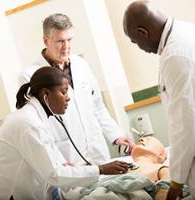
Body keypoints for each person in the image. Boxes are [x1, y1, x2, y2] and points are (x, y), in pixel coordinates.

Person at [123, 1, 195, 199]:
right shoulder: (190, 32)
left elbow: (184, 126)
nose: (140, 48)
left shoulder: (177, 54)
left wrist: (176, 183)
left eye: (136, 42)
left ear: (143, 32)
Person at [0, 67, 131, 200]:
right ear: (46, 94)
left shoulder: (36, 118)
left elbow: (49, 164)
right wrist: (101, 169)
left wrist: (66, 166)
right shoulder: (28, 123)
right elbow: (55, 174)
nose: (68, 97)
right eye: (63, 92)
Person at [20, 13, 134, 166]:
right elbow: (37, 126)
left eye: (69, 40)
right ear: (45, 40)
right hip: (67, 155)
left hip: (97, 150)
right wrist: (56, 161)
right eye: (60, 41)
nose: (66, 47)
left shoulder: (81, 65)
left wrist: (116, 135)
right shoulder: (31, 76)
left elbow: (97, 107)